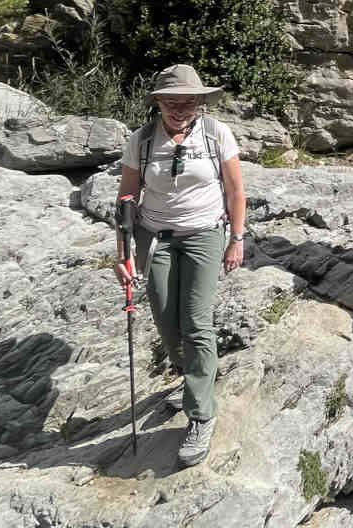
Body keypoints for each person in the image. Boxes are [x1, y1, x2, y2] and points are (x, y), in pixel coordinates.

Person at [110, 64, 246, 469]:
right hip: (155, 237)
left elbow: (236, 189)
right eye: (172, 102)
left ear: (200, 102)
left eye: (189, 101)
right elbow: (126, 198)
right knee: (168, 323)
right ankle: (194, 378)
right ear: (158, 103)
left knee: (196, 322)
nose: (180, 109)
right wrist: (123, 253)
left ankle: (201, 414)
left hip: (205, 234)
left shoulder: (216, 133)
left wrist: (237, 238)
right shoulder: (142, 140)